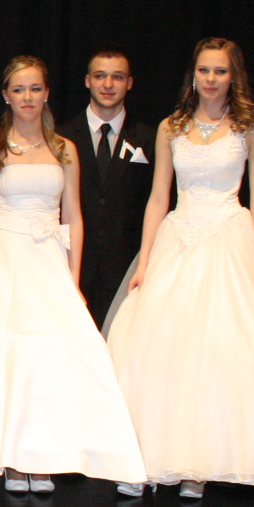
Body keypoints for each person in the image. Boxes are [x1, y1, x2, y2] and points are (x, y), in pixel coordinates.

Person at [0, 56, 145, 492]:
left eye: (35, 88)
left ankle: (42, 455)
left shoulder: (64, 150)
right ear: (6, 96)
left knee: (50, 354)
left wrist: (73, 277)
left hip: (48, 260)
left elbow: (73, 217)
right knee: (8, 353)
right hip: (4, 254)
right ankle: (11, 459)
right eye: (19, 90)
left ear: (46, 94)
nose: (27, 97)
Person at [103, 39, 254, 500]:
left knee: (217, 351)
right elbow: (158, 198)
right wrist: (145, 260)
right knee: (161, 349)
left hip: (228, 236)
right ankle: (147, 460)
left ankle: (197, 467)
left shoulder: (250, 127)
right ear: (194, 74)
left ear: (233, 76)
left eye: (220, 71)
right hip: (178, 235)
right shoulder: (172, 127)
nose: (211, 79)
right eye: (204, 70)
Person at [62, 47, 156, 318]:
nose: (108, 84)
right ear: (87, 81)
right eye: (100, 76)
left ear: (129, 83)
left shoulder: (148, 138)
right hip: (73, 264)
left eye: (117, 77)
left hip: (127, 267)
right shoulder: (61, 137)